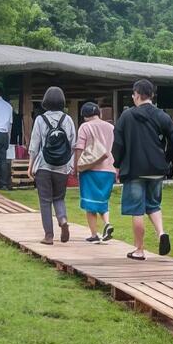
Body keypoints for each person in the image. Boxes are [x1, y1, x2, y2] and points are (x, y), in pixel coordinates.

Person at [112, 79, 173, 261]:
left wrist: (117, 164)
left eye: (133, 95)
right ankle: (161, 232)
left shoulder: (126, 117)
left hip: (134, 169)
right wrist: (166, 159)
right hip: (157, 168)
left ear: (138, 95)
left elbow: (118, 143)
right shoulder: (162, 116)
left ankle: (139, 250)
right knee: (154, 205)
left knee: (137, 209)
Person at [28, 86, 76, 244]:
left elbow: (34, 145)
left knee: (45, 200)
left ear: (46, 101)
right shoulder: (67, 119)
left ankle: (49, 236)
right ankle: (62, 220)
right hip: (62, 166)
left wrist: (30, 165)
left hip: (44, 165)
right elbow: (72, 144)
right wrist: (70, 165)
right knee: (59, 197)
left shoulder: (40, 119)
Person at [74, 101, 116, 243]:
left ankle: (94, 234)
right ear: (99, 113)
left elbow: (79, 148)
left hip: (90, 169)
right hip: (109, 169)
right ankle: (107, 223)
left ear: (84, 116)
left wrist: (77, 166)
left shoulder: (84, 127)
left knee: (90, 202)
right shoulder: (111, 127)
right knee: (102, 200)